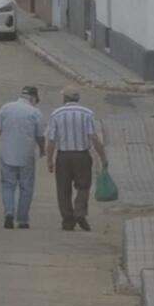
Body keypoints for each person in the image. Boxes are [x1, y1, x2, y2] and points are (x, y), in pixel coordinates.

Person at [45, 87, 108, 232]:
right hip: (82, 156)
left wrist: (49, 160)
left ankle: (68, 220)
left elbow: (52, 140)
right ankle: (79, 212)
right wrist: (103, 156)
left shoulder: (56, 113)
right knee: (83, 186)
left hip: (63, 156)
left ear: (65, 99)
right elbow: (93, 137)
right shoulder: (87, 113)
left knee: (63, 189)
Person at [0, 85, 44, 229]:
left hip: (7, 154)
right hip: (27, 156)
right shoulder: (35, 112)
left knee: (8, 186)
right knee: (26, 188)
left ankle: (9, 214)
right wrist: (43, 150)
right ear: (33, 98)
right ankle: (22, 220)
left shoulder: (6, 108)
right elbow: (40, 136)